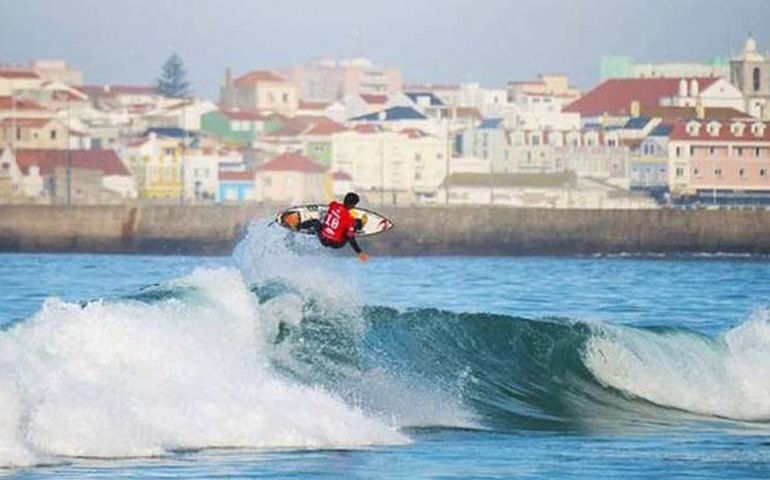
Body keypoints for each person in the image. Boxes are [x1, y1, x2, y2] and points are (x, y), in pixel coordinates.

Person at [293, 192, 369, 262]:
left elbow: (333, 207)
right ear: (353, 205)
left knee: (315, 222)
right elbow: (351, 239)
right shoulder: (350, 220)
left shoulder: (333, 205)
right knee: (351, 228)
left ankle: (298, 226)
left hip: (323, 239)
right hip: (336, 244)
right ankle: (359, 225)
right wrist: (359, 252)